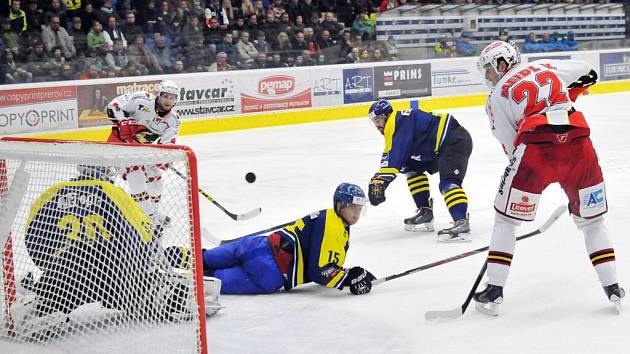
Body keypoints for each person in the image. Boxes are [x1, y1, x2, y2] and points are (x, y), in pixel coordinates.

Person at [473, 41, 624, 315]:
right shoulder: (543, 66)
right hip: (578, 144)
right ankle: (612, 285)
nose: (487, 77)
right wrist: (567, 96)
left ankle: (494, 289)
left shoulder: (495, 97)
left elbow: (510, 144)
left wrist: (523, 179)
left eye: (488, 70)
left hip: (536, 150)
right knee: (592, 221)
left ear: (502, 64)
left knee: (506, 220)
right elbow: (589, 72)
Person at [11, 165, 221, 341]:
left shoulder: (51, 192)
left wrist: (51, 266)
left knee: (57, 290)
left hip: (66, 276)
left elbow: (33, 236)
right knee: (161, 297)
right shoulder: (112, 192)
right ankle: (174, 297)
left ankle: (43, 298)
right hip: (112, 276)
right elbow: (142, 238)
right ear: (105, 173)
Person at [166, 183, 376, 296]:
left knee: (202, 258)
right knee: (209, 280)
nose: (356, 213)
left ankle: (160, 256)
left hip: (258, 245)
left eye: (359, 208)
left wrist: (349, 275)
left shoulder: (325, 215)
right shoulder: (335, 227)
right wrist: (349, 278)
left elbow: (322, 265)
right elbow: (320, 271)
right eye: (352, 207)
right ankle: (164, 278)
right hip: (270, 273)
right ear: (340, 205)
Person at [367, 99, 473, 242]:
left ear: (387, 115)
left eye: (378, 119)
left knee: (448, 183)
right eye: (374, 121)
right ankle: (425, 212)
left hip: (453, 141)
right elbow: (397, 157)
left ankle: (461, 223)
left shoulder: (398, 122)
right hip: (433, 146)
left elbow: (394, 156)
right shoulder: (397, 124)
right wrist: (380, 178)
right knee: (409, 167)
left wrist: (380, 181)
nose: (377, 125)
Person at [105, 80, 180, 225]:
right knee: (136, 174)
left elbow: (167, 144)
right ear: (158, 95)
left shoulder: (173, 120)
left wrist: (166, 158)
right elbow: (113, 106)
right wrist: (123, 121)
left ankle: (152, 212)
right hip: (119, 147)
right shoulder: (141, 99)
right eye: (166, 96)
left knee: (156, 178)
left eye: (172, 97)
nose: (168, 100)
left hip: (140, 151)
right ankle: (147, 218)